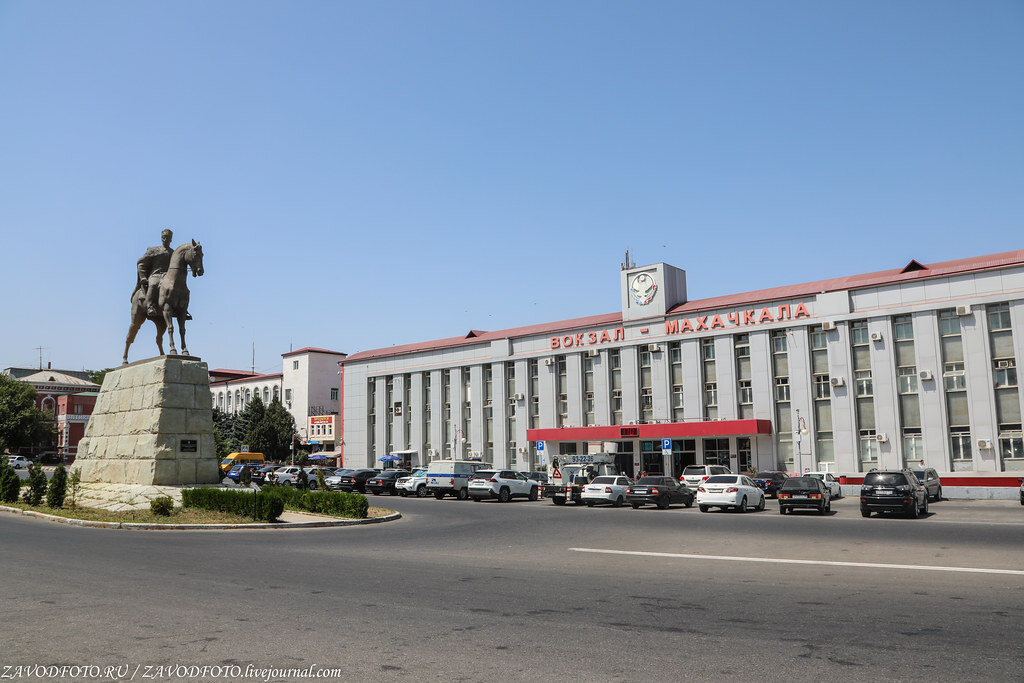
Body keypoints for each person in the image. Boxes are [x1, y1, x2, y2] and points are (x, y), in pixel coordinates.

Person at [135, 228, 175, 318]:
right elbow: (141, 263)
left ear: (171, 239)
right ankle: (150, 306)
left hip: (167, 276)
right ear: (161, 238)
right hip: (156, 275)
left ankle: (181, 307)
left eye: (167, 237)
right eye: (163, 237)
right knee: (153, 284)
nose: (165, 239)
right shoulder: (154, 250)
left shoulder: (173, 253)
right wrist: (143, 277)